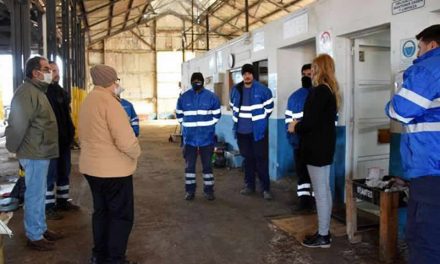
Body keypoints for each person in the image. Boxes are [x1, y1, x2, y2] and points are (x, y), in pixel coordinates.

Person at [385, 24, 440, 264]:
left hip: (432, 169)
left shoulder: (429, 69)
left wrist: (391, 105)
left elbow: (399, 110)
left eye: (419, 48)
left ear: (432, 45)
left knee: (424, 239)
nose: (418, 54)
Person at [79, 64, 141, 264]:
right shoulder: (110, 103)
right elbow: (125, 140)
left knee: (101, 213)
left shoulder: (89, 101)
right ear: (111, 81)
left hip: (92, 169)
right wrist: (136, 152)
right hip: (113, 172)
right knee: (120, 216)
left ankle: (99, 255)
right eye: (116, 80)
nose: (117, 84)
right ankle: (115, 259)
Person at [5, 56, 63, 251]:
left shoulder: (37, 91)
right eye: (46, 68)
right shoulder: (27, 92)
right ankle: (34, 235)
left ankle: (40, 228)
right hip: (33, 152)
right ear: (35, 73)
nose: (50, 71)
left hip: (40, 150)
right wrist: (13, 147)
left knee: (38, 193)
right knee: (35, 195)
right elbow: (18, 124)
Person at [291, 54, 340, 248]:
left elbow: (310, 123)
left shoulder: (319, 91)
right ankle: (324, 231)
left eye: (313, 67)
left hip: (316, 149)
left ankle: (323, 235)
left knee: (320, 192)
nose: (311, 72)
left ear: (319, 69)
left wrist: (295, 126)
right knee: (324, 190)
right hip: (325, 148)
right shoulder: (330, 90)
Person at [230, 64, 274, 200]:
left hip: (258, 132)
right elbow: (233, 106)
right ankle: (249, 185)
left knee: (261, 159)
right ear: (242, 75)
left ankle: (265, 189)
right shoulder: (236, 90)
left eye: (249, 73)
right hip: (242, 133)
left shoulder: (263, 90)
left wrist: (259, 122)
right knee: (248, 159)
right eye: (244, 74)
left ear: (253, 75)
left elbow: (269, 108)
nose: (247, 76)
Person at [176, 72, 221, 201]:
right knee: (189, 167)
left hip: (206, 139)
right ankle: (190, 191)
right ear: (191, 82)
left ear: (203, 82)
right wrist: (187, 127)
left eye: (198, 81)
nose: (196, 83)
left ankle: (209, 191)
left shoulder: (211, 97)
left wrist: (207, 127)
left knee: (207, 167)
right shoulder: (184, 98)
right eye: (194, 81)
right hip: (189, 139)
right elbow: (179, 115)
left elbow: (217, 115)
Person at [45, 61, 78, 221]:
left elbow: (66, 117)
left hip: (64, 141)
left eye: (56, 70)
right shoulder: (43, 93)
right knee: (50, 174)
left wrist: (71, 135)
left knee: (64, 171)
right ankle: (49, 207)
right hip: (50, 142)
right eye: (51, 70)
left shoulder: (62, 92)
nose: (55, 73)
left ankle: (63, 201)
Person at [285, 64, 315, 213]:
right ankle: (304, 202)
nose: (307, 76)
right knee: (302, 173)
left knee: (315, 174)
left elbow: (330, 123)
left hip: (316, 144)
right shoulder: (294, 97)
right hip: (299, 143)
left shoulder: (322, 95)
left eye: (310, 74)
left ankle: (316, 202)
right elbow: (288, 122)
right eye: (304, 74)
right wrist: (292, 140)